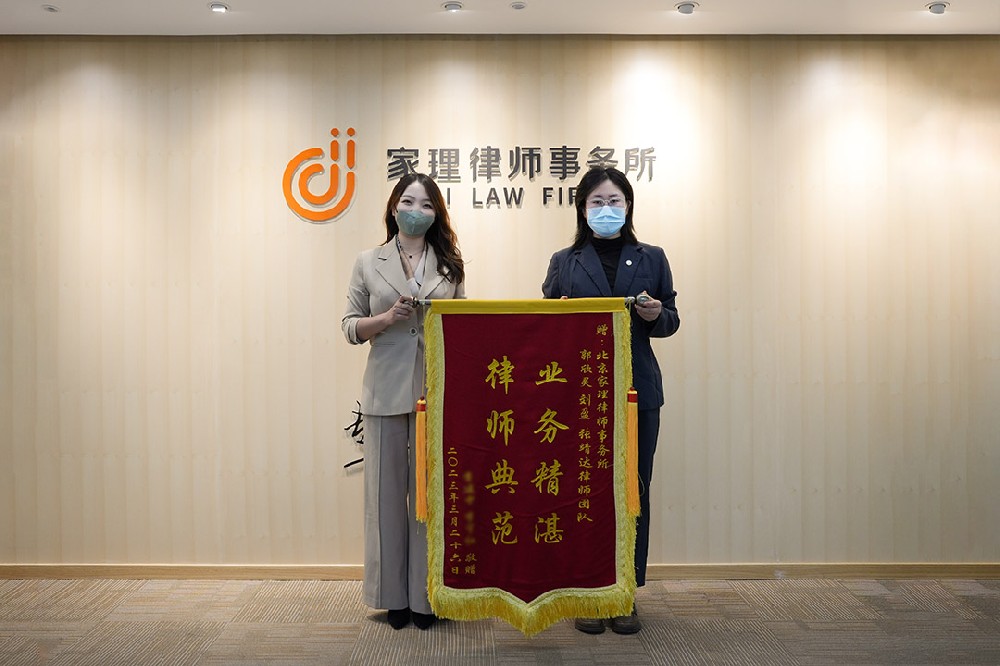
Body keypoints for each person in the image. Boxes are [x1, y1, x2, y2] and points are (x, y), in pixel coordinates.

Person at [542, 167, 680, 635]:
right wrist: (558, 318)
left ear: (628, 206)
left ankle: (624, 594)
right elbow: (542, 327)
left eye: (614, 201)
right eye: (597, 202)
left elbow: (671, 320)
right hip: (579, 394)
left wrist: (656, 313)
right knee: (584, 490)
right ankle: (588, 590)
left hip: (638, 391)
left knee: (633, 491)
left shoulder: (652, 257)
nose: (606, 209)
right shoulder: (564, 261)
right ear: (583, 209)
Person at [342, 173, 465, 630]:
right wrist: (386, 317)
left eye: (427, 205)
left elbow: (462, 326)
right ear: (394, 208)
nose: (417, 211)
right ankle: (392, 596)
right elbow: (350, 327)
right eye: (409, 202)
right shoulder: (366, 261)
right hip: (385, 390)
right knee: (386, 498)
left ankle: (425, 597)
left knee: (430, 497)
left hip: (437, 390)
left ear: (436, 214)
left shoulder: (450, 264)